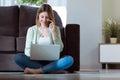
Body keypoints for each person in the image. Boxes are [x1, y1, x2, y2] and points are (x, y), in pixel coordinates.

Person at [14, 4, 74, 74]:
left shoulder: (56, 29)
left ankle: (38, 71)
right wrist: (34, 54)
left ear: (50, 18)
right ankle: (51, 69)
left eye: (47, 17)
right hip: (35, 61)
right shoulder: (31, 30)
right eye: (42, 17)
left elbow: (60, 49)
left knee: (69, 59)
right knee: (17, 58)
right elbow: (27, 50)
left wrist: (53, 33)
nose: (44, 20)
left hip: (52, 61)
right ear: (38, 16)